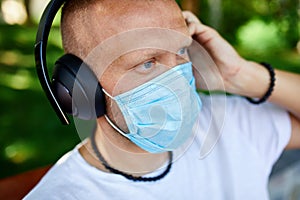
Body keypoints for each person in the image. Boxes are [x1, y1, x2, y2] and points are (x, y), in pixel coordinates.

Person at [25, 0, 300, 199]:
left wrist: (241, 74)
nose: (178, 79)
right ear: (83, 90)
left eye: (181, 50)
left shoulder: (230, 126)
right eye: (148, 63)